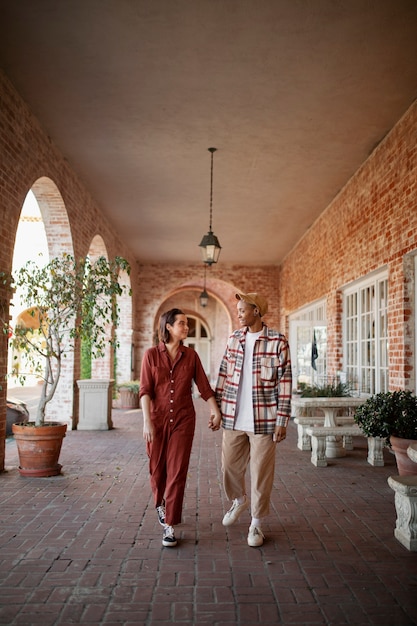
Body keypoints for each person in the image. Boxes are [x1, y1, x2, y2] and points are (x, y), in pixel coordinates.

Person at [215, 292, 292, 547]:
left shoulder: (278, 341)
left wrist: (282, 420)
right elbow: (224, 373)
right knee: (229, 467)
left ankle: (256, 524)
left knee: (260, 474)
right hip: (233, 418)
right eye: (237, 310)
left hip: (265, 420)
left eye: (242, 310)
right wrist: (216, 409)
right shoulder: (234, 338)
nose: (238, 314)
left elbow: (285, 382)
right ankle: (238, 500)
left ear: (256, 311)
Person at [140, 308, 221, 548]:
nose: (187, 328)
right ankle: (160, 504)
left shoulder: (192, 356)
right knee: (157, 470)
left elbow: (204, 387)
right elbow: (145, 390)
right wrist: (146, 421)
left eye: (187, 324)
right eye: (182, 324)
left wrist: (215, 410)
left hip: (184, 420)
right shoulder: (151, 355)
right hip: (156, 419)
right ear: (169, 327)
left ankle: (170, 526)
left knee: (177, 471)